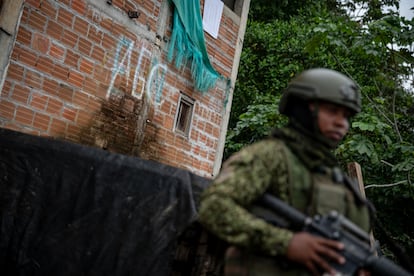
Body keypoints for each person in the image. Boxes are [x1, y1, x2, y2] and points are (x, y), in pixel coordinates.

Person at [198, 68, 373, 276]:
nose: (341, 123)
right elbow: (214, 206)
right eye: (332, 111)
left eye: (346, 116)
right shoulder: (271, 155)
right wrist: (286, 243)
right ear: (304, 108)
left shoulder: (332, 175)